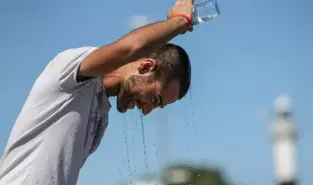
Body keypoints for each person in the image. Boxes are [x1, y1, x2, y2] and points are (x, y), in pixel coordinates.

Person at [0, 0, 194, 185]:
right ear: (145, 67)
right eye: (154, 99)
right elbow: (131, 48)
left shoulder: (101, 115)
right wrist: (180, 22)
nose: (146, 111)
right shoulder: (70, 72)